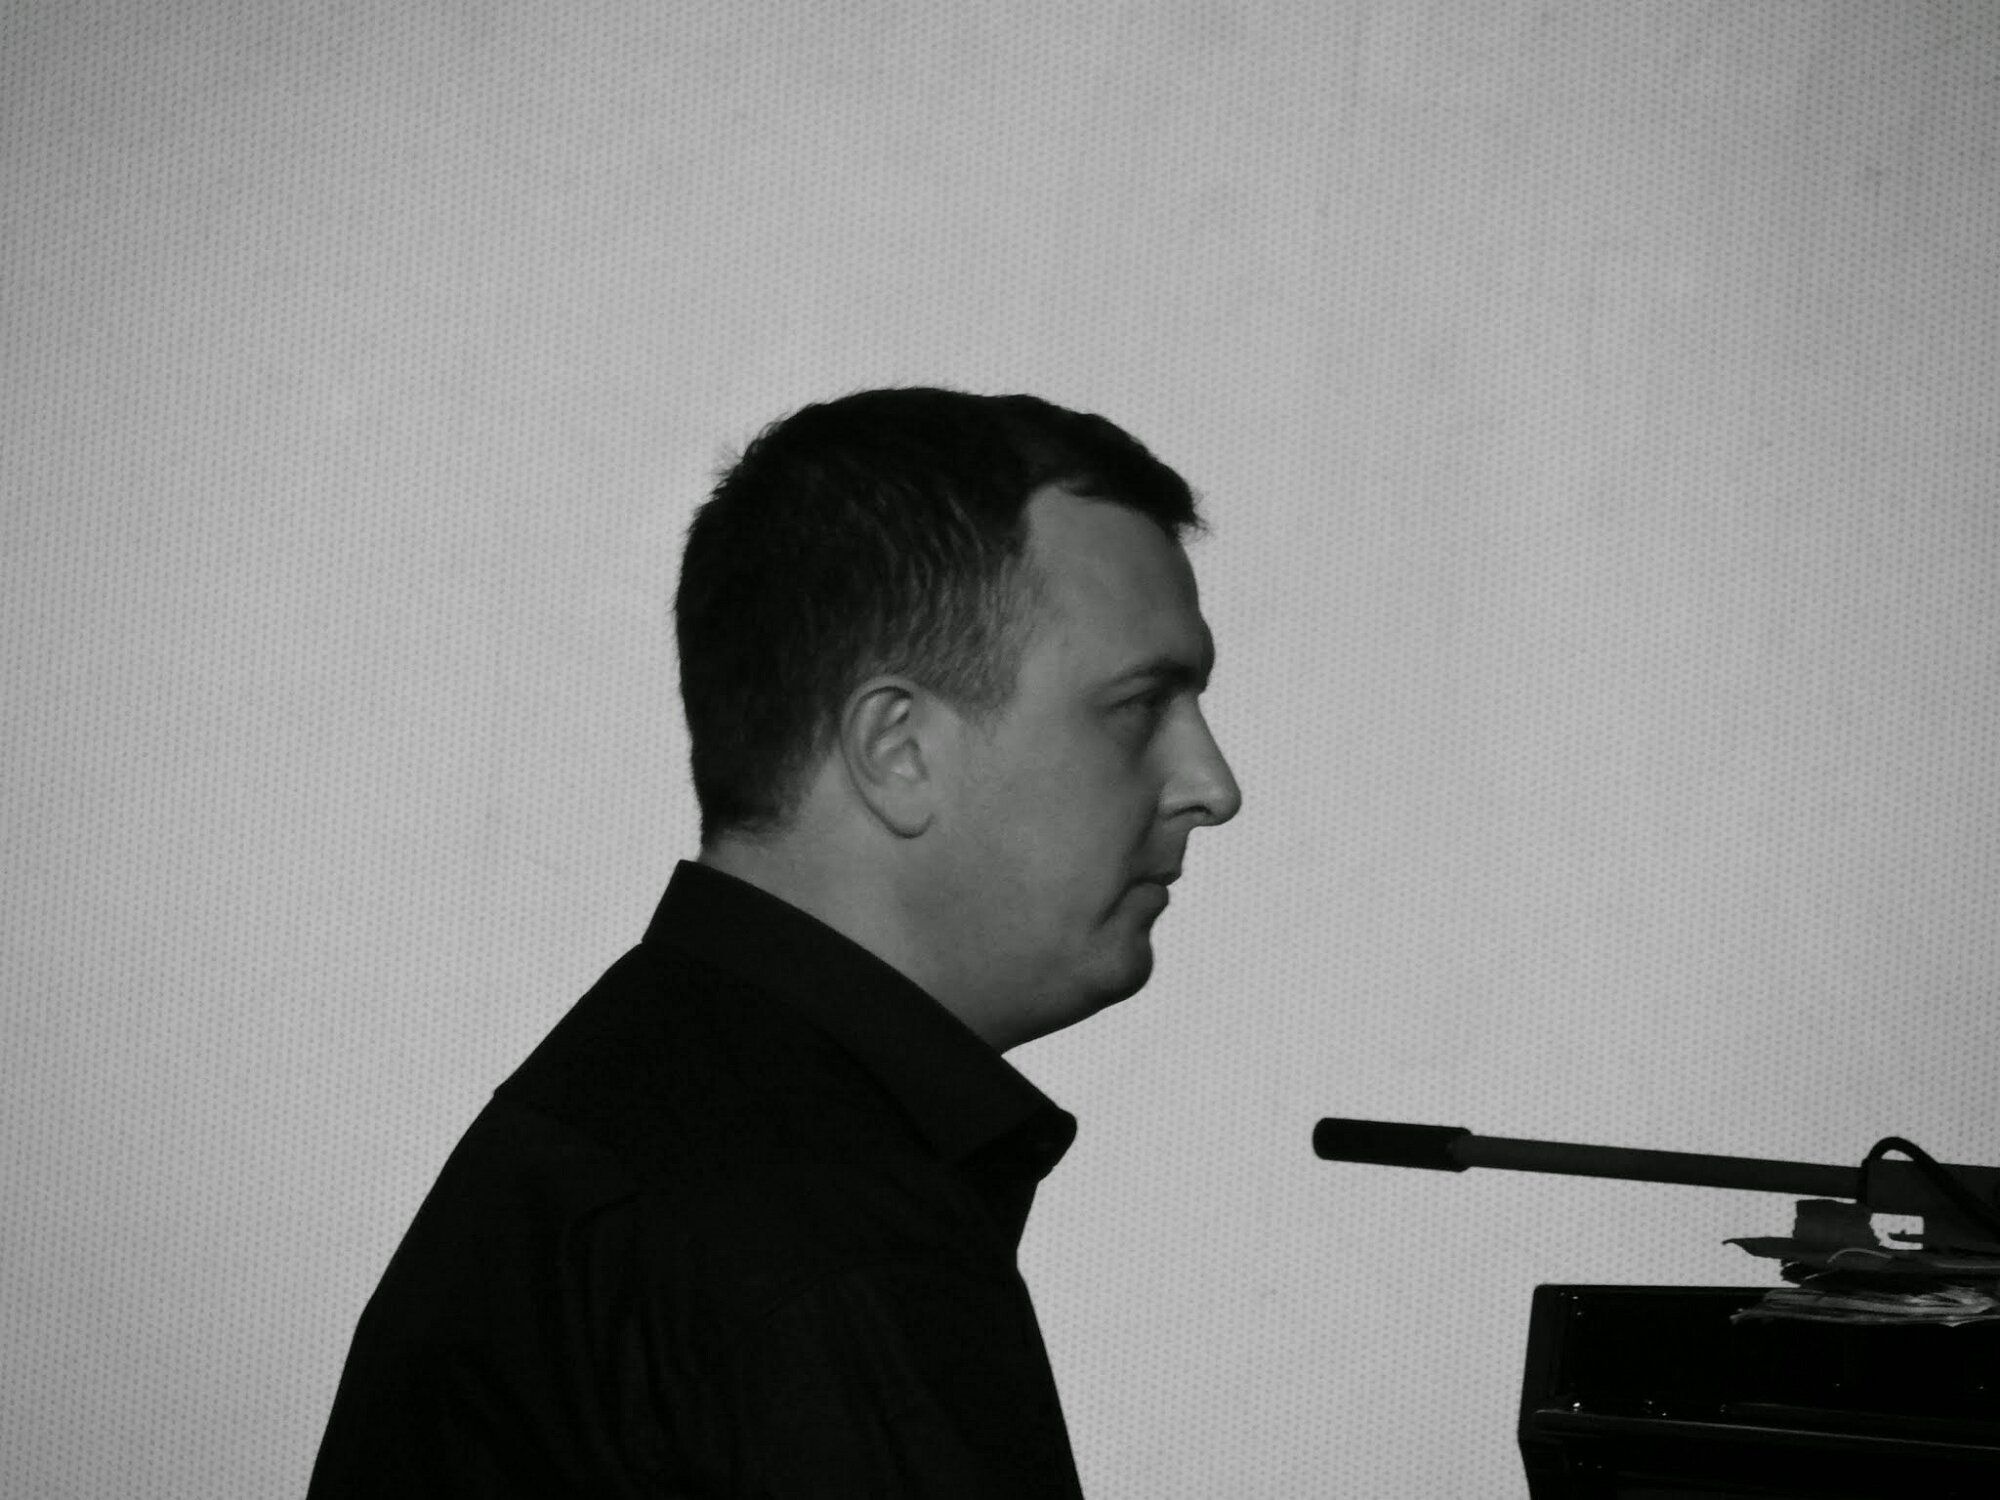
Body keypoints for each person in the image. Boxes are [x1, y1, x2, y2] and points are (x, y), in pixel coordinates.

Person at [307, 387, 1242, 1497]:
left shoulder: (653, 1124)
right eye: (1139, 706)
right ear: (897, 748)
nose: (1211, 786)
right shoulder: (815, 1236)